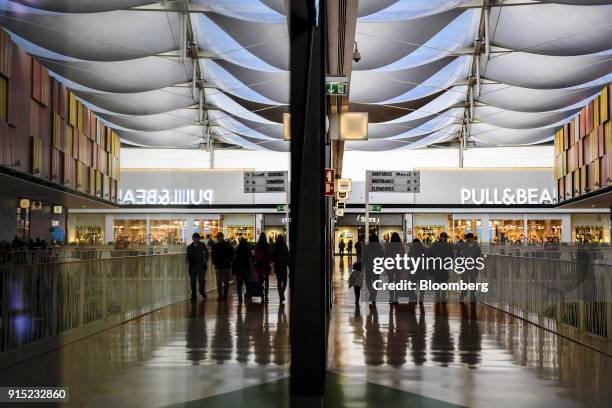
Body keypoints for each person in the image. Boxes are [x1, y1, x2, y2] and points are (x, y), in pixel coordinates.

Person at [428, 232, 454, 302]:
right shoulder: (449, 245)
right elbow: (452, 256)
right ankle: (442, 295)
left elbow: (429, 253)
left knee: (438, 281)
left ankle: (439, 295)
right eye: (445, 237)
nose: (444, 239)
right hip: (444, 266)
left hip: (438, 265)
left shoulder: (435, 244)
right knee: (444, 281)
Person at [458, 233, 482, 303]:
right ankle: (463, 294)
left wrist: (478, 265)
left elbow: (478, 257)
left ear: (473, 239)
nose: (470, 239)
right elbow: (459, 257)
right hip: (464, 268)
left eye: (471, 238)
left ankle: (472, 297)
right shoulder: (462, 246)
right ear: (466, 239)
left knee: (473, 283)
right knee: (464, 283)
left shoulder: (477, 248)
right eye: (469, 238)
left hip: (473, 268)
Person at [211, 232, 234, 301]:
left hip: (224, 266)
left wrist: (228, 261)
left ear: (222, 237)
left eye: (218, 237)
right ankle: (221, 295)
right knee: (220, 281)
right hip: (220, 266)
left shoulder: (223, 245)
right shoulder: (223, 245)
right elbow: (213, 255)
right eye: (217, 237)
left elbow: (232, 254)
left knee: (224, 281)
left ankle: (224, 295)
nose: (217, 238)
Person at [185, 232, 208, 301]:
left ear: (198, 238)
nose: (194, 239)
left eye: (196, 238)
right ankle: (194, 295)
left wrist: (205, 260)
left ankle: (201, 292)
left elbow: (206, 255)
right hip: (193, 267)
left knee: (201, 281)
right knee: (193, 282)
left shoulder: (202, 245)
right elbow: (187, 257)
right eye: (194, 238)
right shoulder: (189, 247)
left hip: (201, 266)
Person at [384, 232, 404, 305]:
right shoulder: (401, 245)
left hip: (391, 265)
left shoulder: (388, 245)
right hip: (399, 265)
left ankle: (391, 296)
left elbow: (386, 256)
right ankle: (396, 297)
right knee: (398, 281)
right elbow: (403, 256)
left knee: (391, 281)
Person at [364, 235, 384, 305]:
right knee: (376, 283)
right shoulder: (379, 247)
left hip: (368, 267)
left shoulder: (366, 247)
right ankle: (373, 296)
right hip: (377, 266)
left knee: (368, 282)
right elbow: (382, 256)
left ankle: (372, 295)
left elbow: (364, 257)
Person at [232, 239, 252, 303]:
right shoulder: (248, 250)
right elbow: (252, 259)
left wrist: (233, 271)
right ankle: (247, 296)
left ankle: (240, 297)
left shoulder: (238, 250)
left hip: (239, 270)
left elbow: (234, 261)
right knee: (247, 284)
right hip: (246, 269)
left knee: (239, 284)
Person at [254, 232, 273, 302]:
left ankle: (262, 295)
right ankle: (266, 296)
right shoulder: (267, 245)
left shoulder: (257, 245)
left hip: (259, 266)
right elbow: (270, 256)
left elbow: (255, 256)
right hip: (266, 266)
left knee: (260, 281)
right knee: (267, 281)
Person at [408, 238, 427, 304]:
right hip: (422, 270)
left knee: (412, 285)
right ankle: (421, 299)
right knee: (422, 285)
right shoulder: (424, 250)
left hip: (413, 270)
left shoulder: (411, 251)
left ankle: (411, 298)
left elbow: (409, 261)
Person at [272, 235, 290, 304]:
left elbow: (273, 257)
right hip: (284, 267)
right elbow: (288, 256)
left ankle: (281, 295)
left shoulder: (275, 247)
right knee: (285, 281)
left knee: (279, 282)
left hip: (278, 267)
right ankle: (282, 293)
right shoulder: (285, 247)